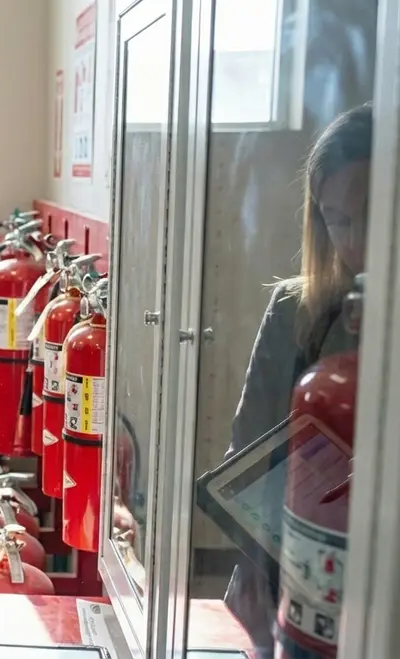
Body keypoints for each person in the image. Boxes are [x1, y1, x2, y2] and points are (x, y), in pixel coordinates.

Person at [223, 103, 371, 656]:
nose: (357, 242)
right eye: (338, 220)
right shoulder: (296, 310)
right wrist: (252, 569)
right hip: (299, 578)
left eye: (374, 215)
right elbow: (248, 455)